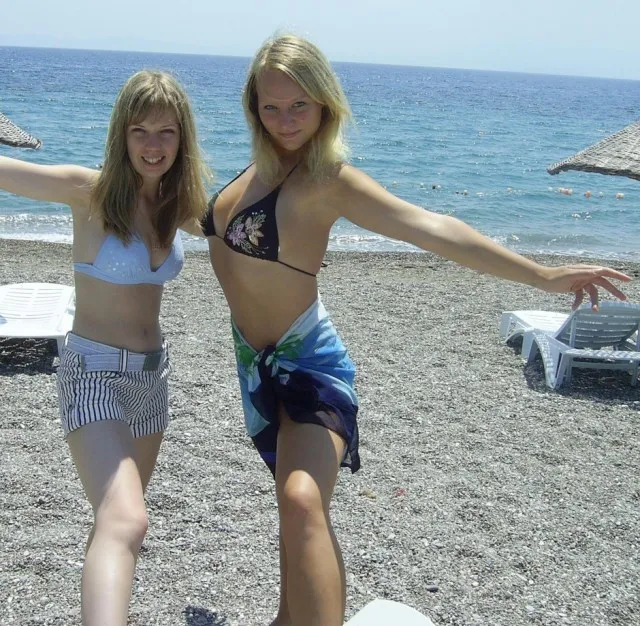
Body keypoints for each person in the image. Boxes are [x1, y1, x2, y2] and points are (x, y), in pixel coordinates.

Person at [200, 35, 630, 626]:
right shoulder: (255, 170)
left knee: (301, 499)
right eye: (271, 107)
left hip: (308, 366)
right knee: (298, 505)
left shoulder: (330, 181)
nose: (286, 120)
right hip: (256, 369)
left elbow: (432, 227)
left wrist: (542, 275)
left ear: (325, 103)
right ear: (254, 108)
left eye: (299, 105)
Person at [0, 70, 211, 626]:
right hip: (92, 373)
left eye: (165, 132)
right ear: (121, 134)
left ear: (182, 138)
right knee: (126, 519)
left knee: (117, 521)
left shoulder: (177, 205)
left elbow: (245, 228)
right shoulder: (87, 191)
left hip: (152, 381)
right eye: (139, 130)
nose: (152, 145)